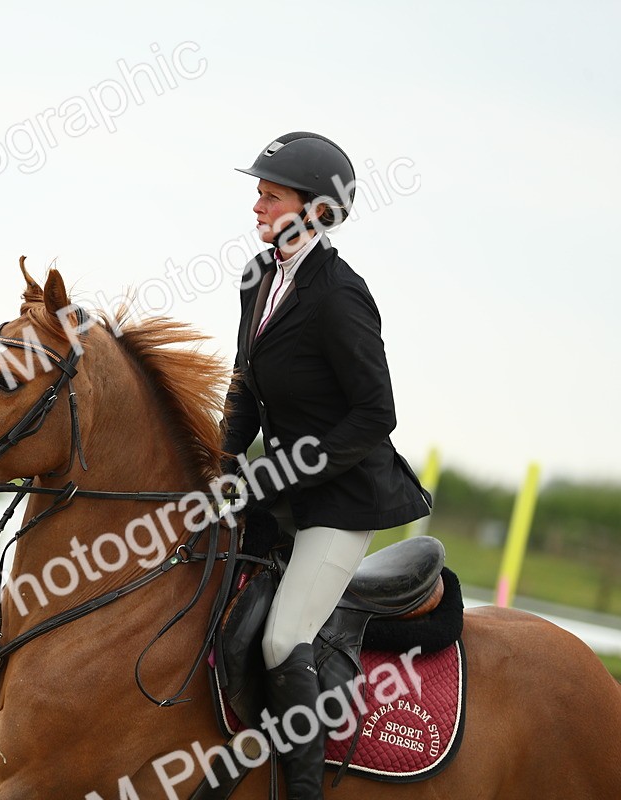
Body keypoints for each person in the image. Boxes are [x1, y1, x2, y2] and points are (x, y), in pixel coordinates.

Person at [220, 131, 432, 799]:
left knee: (284, 639)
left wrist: (284, 471)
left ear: (313, 209)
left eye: (271, 193)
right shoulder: (259, 275)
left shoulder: (340, 294)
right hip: (278, 489)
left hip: (342, 500)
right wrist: (224, 454)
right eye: (258, 190)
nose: (257, 203)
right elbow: (246, 380)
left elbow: (376, 413)